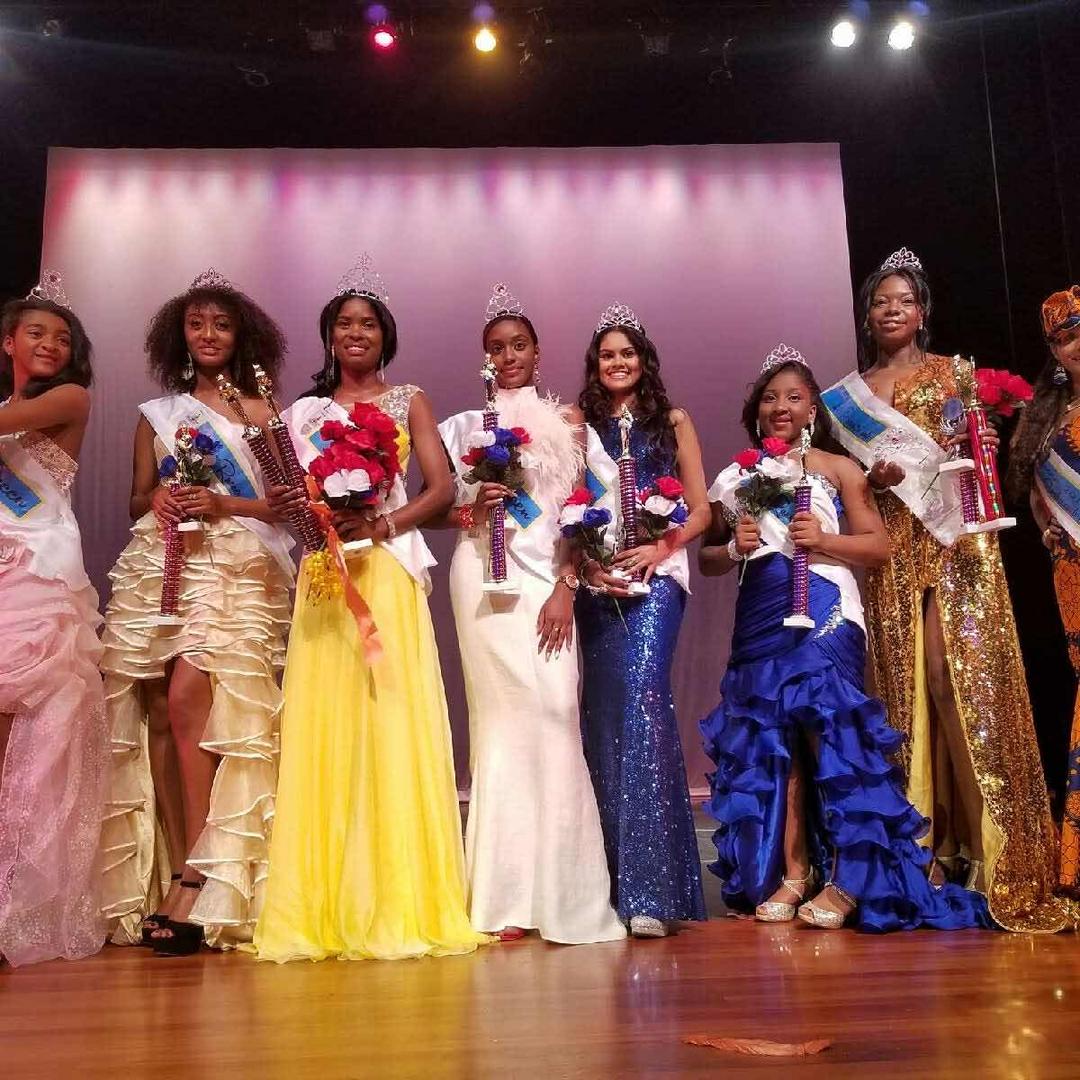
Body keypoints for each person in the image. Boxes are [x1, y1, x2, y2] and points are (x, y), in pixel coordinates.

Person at [821, 248, 1072, 932]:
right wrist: (871, 481)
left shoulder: (956, 373)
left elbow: (979, 456)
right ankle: (923, 849)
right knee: (906, 689)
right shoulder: (846, 400)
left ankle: (995, 852)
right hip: (893, 546)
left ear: (922, 311)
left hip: (956, 539)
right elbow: (850, 486)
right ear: (867, 315)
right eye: (881, 301)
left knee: (957, 684)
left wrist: (982, 438)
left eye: (904, 300)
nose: (892, 309)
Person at [700, 345, 991, 931]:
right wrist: (733, 547)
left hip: (826, 612)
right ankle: (794, 871)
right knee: (777, 747)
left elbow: (878, 547)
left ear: (813, 409)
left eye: (794, 397)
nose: (781, 406)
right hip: (759, 622)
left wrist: (823, 541)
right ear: (756, 411)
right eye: (770, 397)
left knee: (831, 740)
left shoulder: (838, 469)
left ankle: (850, 880)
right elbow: (707, 560)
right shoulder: (736, 476)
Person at [254, 255, 488, 961]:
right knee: (325, 721)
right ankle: (321, 903)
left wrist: (383, 523)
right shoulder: (302, 413)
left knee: (390, 719)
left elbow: (441, 488)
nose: (356, 333)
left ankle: (397, 896)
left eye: (368, 324)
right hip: (327, 573)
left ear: (386, 336)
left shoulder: (408, 399)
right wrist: (307, 509)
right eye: (344, 324)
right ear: (329, 337)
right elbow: (281, 496)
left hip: (385, 570)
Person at [98, 269, 295, 955]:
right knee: (164, 712)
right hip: (168, 565)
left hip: (237, 568)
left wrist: (222, 502)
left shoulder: (263, 413)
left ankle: (204, 878)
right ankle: (184, 869)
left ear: (242, 336)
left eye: (221, 324)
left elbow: (288, 506)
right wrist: (157, 499)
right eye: (196, 323)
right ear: (179, 335)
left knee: (199, 703)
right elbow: (135, 497)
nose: (208, 334)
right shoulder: (157, 414)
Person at [432, 283, 623, 944]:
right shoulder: (463, 428)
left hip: (546, 578)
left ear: (537, 352)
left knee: (558, 712)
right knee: (502, 727)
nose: (508, 356)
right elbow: (437, 510)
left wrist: (568, 584)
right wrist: (470, 507)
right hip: (482, 580)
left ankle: (565, 894)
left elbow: (587, 511)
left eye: (518, 345)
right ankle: (507, 898)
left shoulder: (569, 422)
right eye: (497, 348)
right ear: (484, 358)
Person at [572, 301, 709, 938]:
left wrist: (662, 546)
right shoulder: (579, 424)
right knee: (603, 719)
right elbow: (566, 503)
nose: (617, 363)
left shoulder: (672, 421)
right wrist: (585, 563)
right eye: (607, 355)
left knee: (644, 705)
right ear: (594, 366)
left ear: (643, 360)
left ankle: (653, 889)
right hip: (598, 583)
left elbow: (702, 509)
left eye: (627, 353)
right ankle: (609, 885)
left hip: (657, 579)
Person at [0, 272, 108, 966]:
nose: (49, 344)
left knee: (31, 737)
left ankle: (17, 903)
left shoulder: (71, 398)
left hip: (39, 570)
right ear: (8, 342)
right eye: (35, 332)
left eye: (62, 338)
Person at [1007, 284, 1080, 896]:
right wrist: (1051, 532)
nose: (1076, 345)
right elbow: (1036, 493)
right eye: (1065, 338)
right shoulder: (1045, 418)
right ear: (1053, 351)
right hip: (1072, 568)